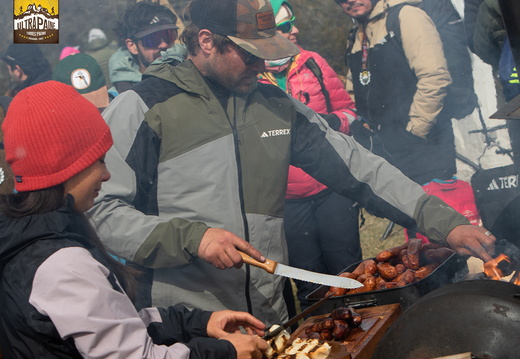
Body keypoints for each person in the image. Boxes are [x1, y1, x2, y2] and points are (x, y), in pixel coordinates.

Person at [90, 0, 496, 327]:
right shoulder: (142, 107)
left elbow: (359, 167)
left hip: (270, 315)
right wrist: (191, 238)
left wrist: (444, 221)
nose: (261, 66)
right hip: (186, 321)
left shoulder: (275, 106)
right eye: (250, 54)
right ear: (207, 40)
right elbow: (99, 212)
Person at [0, 80, 268, 358]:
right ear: (68, 166)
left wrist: (198, 324)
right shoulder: (62, 265)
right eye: (99, 160)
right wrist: (225, 352)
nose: (107, 174)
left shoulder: (29, 236)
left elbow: (111, 322)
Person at [337, 0, 483, 242]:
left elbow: (434, 76)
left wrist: (415, 131)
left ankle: (471, 274)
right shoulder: (357, 33)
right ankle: (433, 277)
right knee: (414, 224)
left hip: (426, 143)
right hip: (389, 145)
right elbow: (355, 86)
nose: (348, 1)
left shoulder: (407, 16)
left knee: (445, 222)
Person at [258, 0, 361, 309]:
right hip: (285, 201)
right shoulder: (248, 76)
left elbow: (351, 112)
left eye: (293, 23)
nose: (296, 30)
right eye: (287, 26)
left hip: (333, 188)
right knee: (311, 286)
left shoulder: (312, 62)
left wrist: (335, 122)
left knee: (350, 275)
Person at [109, 1, 179, 95]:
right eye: (153, 39)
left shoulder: (192, 75)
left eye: (169, 36)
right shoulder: (118, 97)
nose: (163, 45)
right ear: (132, 46)